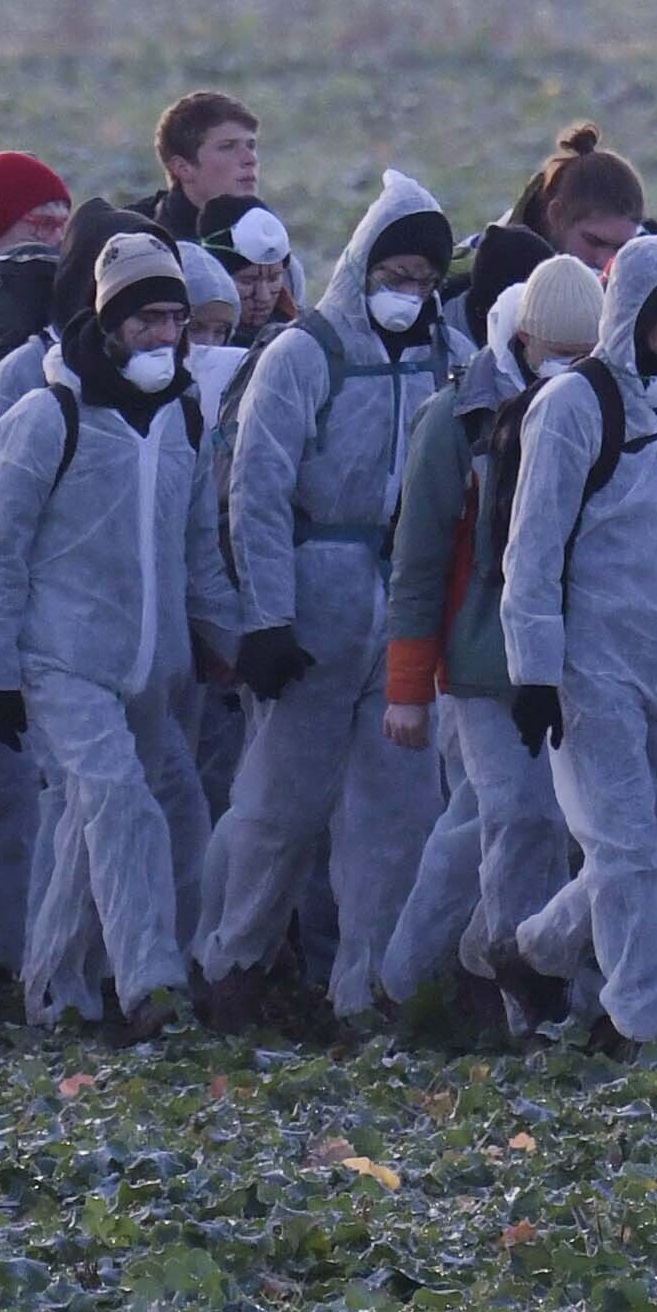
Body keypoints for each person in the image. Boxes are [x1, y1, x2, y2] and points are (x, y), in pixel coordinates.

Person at [207, 180, 468, 1024]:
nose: (409, 293)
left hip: (400, 601)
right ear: (361, 267)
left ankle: (370, 984)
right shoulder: (302, 354)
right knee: (279, 803)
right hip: (317, 593)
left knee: (396, 812)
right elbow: (259, 489)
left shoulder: (443, 358)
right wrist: (268, 615)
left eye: (424, 279)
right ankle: (233, 960)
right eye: (394, 273)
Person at [491, 198, 657, 1056]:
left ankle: (536, 952)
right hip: (592, 666)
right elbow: (532, 550)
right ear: (630, 313)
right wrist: (534, 669)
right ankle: (645, 1024)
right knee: (627, 847)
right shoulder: (571, 407)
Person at [0, 227, 213, 1033]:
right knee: (117, 798)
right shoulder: (48, 415)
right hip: (60, 660)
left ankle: (54, 992)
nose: (165, 337)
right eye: (148, 321)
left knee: (88, 821)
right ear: (108, 323)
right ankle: (150, 985)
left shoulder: (183, 416)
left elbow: (197, 539)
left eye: (176, 319)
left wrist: (231, 635)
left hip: (149, 666)